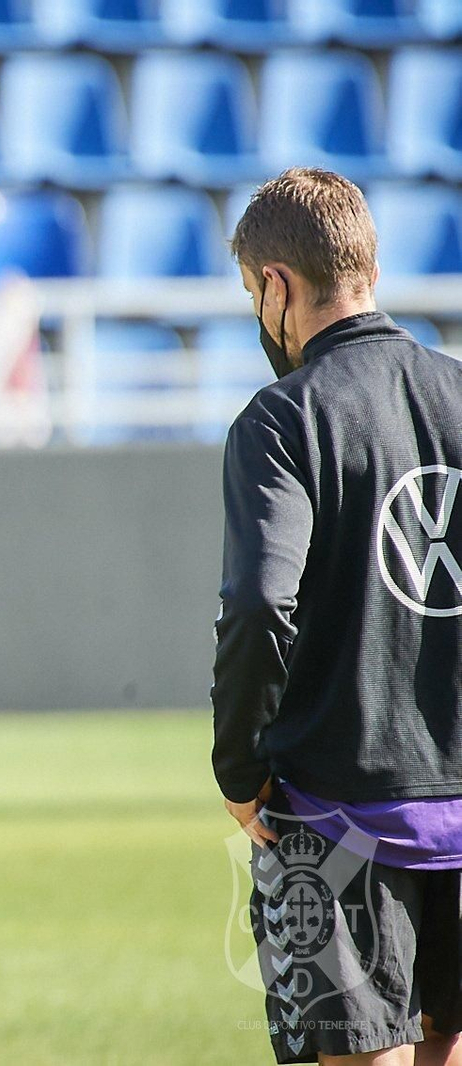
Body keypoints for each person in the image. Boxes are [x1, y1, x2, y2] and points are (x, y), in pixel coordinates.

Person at [213, 167, 462, 1066]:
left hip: (333, 814)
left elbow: (256, 604)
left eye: (252, 293)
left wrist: (238, 767)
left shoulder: (282, 419)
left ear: (276, 284)